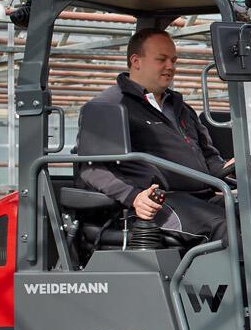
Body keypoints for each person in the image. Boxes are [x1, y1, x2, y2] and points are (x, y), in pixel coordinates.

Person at [76, 27, 233, 239]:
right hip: (158, 202)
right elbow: (93, 168)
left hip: (201, 197)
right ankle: (237, 273)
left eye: (174, 60)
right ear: (136, 61)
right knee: (226, 226)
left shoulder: (181, 108)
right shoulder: (109, 106)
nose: (170, 66)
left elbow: (207, 155)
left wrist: (225, 168)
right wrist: (134, 197)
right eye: (162, 59)